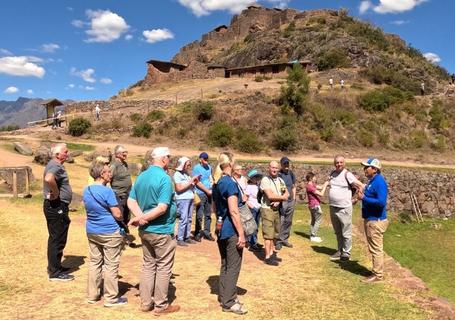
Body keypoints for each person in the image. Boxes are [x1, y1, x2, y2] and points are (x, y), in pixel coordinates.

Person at [127, 147, 180, 315]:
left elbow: (131, 200)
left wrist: (140, 217)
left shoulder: (142, 176)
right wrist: (144, 218)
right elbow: (162, 207)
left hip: (145, 230)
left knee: (148, 265)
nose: (169, 161)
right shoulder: (164, 179)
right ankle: (161, 305)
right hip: (161, 230)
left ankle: (145, 303)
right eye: (169, 158)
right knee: (163, 267)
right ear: (163, 159)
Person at [83, 162, 127, 307]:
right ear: (102, 174)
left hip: (92, 231)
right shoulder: (107, 191)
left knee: (95, 263)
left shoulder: (86, 190)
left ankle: (92, 295)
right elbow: (117, 214)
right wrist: (122, 218)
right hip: (109, 232)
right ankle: (111, 298)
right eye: (108, 172)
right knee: (111, 265)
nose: (110, 174)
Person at [215, 153, 247, 315]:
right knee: (233, 266)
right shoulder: (229, 183)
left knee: (225, 264)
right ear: (231, 164)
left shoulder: (219, 182)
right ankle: (228, 302)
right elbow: (234, 211)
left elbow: (216, 208)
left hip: (221, 229)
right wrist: (241, 234)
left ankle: (225, 296)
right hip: (231, 230)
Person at [43, 143, 74, 281]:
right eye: (65, 152)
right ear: (57, 155)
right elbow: (49, 178)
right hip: (56, 206)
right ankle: (55, 273)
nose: (67, 154)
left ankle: (55, 266)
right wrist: (55, 193)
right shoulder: (55, 165)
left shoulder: (55, 164)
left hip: (56, 205)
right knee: (57, 237)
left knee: (57, 237)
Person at [358, 158, 389, 283]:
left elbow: (381, 202)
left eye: (367, 167)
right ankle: (375, 271)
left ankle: (378, 275)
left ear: (374, 169)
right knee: (372, 248)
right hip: (371, 219)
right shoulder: (372, 181)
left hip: (376, 221)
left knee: (376, 249)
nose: (364, 169)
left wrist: (364, 198)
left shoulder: (379, 182)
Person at [328, 155, 364, 262]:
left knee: (346, 231)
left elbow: (360, 185)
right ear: (334, 164)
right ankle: (340, 250)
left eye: (341, 162)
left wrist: (357, 198)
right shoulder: (332, 174)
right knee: (338, 231)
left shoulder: (347, 174)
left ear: (344, 163)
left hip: (344, 208)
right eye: (337, 163)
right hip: (333, 207)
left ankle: (346, 252)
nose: (339, 164)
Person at [259, 161, 289, 266]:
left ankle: (272, 254)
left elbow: (287, 193)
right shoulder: (265, 180)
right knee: (268, 234)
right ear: (269, 168)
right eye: (272, 167)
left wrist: (279, 200)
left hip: (276, 210)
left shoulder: (280, 180)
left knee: (275, 233)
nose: (274, 170)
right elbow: (270, 196)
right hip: (267, 209)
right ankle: (268, 257)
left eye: (276, 168)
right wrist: (282, 198)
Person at [110, 145, 134, 246]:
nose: (126, 154)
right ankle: (120, 239)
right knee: (119, 217)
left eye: (126, 152)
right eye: (124, 152)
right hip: (118, 195)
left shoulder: (125, 164)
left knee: (126, 216)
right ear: (118, 154)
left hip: (127, 195)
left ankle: (125, 237)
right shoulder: (114, 166)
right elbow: (108, 179)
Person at [173, 156, 200, 246]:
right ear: (183, 164)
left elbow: (189, 186)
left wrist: (194, 182)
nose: (189, 166)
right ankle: (180, 238)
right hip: (182, 199)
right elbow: (179, 189)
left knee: (189, 219)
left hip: (190, 197)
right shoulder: (177, 174)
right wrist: (190, 181)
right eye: (187, 164)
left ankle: (187, 237)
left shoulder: (186, 174)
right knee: (183, 219)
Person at [192, 152, 214, 241]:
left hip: (209, 193)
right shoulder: (196, 168)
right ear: (200, 159)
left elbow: (210, 178)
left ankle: (207, 232)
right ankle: (197, 233)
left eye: (207, 159)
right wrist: (207, 191)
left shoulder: (209, 167)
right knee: (199, 215)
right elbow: (197, 182)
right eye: (204, 159)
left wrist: (212, 187)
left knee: (208, 214)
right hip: (200, 193)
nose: (206, 161)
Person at [276, 156, 297, 250]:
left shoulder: (291, 174)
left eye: (287, 163)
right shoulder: (278, 174)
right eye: (284, 163)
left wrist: (294, 198)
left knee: (288, 221)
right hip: (282, 201)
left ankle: (285, 239)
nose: (286, 165)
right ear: (281, 164)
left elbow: (293, 186)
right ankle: (279, 241)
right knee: (281, 221)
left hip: (290, 201)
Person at [305, 172, 329, 243]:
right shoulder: (310, 187)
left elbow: (321, 187)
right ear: (310, 178)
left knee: (314, 220)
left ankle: (312, 235)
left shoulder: (311, 185)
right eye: (314, 177)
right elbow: (321, 194)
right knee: (318, 220)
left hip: (312, 206)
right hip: (315, 206)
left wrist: (327, 182)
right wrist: (325, 186)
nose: (315, 178)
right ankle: (313, 236)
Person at [245, 169, 263, 252]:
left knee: (256, 226)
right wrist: (252, 207)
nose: (256, 178)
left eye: (257, 177)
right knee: (252, 226)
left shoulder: (257, 186)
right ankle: (251, 243)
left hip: (259, 208)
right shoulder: (249, 187)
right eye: (255, 177)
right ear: (251, 178)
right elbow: (245, 199)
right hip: (253, 209)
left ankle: (255, 241)